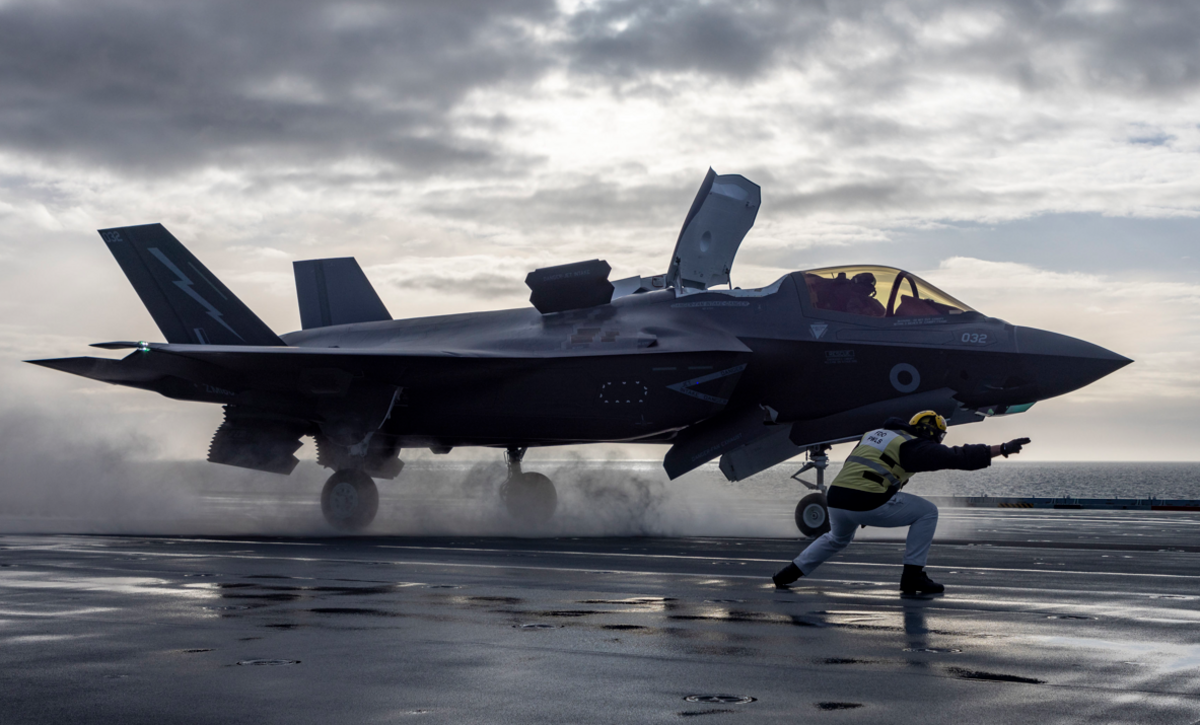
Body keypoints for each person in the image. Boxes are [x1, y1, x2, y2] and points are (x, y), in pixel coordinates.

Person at [772, 411, 1031, 594]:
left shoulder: (875, 435)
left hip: (837, 499)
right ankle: (913, 576)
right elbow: (957, 456)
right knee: (927, 512)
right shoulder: (913, 446)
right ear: (932, 433)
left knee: (836, 539)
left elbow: (869, 467)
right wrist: (1002, 449)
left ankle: (788, 574)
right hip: (866, 500)